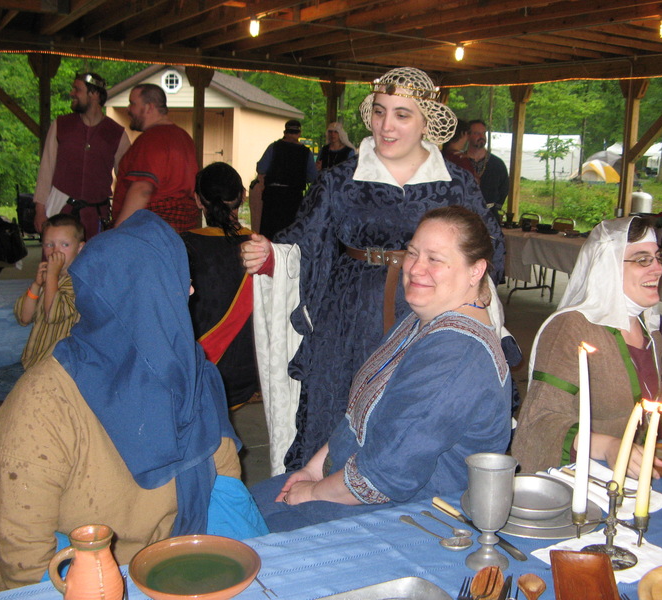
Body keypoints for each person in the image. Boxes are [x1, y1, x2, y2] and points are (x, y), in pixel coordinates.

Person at [0, 210, 267, 593]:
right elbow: (27, 567)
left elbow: (224, 495)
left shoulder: (191, 374)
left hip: (174, 565)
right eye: (176, 280)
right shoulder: (41, 407)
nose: (191, 291)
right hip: (77, 583)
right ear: (141, 294)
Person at [242, 67, 505, 473]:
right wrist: (270, 255)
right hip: (348, 317)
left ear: (426, 122)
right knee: (340, 407)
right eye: (380, 112)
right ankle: (323, 491)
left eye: (402, 114)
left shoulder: (456, 183)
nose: (386, 126)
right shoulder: (340, 179)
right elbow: (305, 240)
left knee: (415, 412)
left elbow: (487, 248)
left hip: (428, 313)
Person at [250, 206, 511, 532]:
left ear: (476, 271)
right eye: (412, 253)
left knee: (234, 530)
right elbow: (360, 415)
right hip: (351, 484)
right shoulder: (420, 321)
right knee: (234, 505)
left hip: (413, 517)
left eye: (434, 259)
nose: (415, 268)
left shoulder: (456, 355)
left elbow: (383, 477)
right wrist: (314, 470)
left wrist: (312, 492)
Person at [512, 216, 662, 475]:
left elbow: (650, 410)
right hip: (577, 478)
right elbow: (540, 420)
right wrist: (609, 447)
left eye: (658, 257)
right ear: (608, 267)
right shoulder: (572, 329)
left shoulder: (649, 331)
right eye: (642, 259)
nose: (658, 269)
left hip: (630, 475)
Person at [0, 214, 85, 402]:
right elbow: (24, 317)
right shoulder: (50, 280)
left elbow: (52, 314)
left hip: (54, 371)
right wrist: (37, 285)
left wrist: (51, 277)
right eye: (49, 244)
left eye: (64, 245)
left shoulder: (78, 284)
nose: (55, 252)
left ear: (80, 248)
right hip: (31, 362)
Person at [181, 163, 259, 408]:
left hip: (200, 377)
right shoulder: (263, 249)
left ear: (198, 200)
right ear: (243, 196)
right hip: (253, 377)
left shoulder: (182, 247)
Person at [32, 72, 130, 240]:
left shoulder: (116, 134)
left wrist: (122, 216)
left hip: (96, 216)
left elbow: (125, 180)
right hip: (60, 209)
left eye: (77, 89)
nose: (72, 93)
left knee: (94, 257)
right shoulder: (61, 126)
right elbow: (46, 171)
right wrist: (40, 210)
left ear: (94, 94)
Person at [112, 83, 200, 233]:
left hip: (149, 231)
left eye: (132, 103)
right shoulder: (184, 138)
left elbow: (142, 189)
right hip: (179, 232)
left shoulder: (151, 139)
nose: (128, 109)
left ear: (149, 107)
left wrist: (118, 233)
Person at [255, 119, 317, 239]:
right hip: (293, 198)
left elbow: (261, 168)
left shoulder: (274, 147)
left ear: (285, 132)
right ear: (299, 134)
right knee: (290, 235)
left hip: (273, 197)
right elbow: (312, 177)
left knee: (270, 233)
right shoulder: (305, 152)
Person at [466, 119, 509, 225]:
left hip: (489, 218)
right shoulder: (459, 162)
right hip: (464, 217)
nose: (481, 137)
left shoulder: (497, 164)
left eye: (483, 133)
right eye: (477, 133)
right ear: (468, 136)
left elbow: (504, 189)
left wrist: (495, 207)